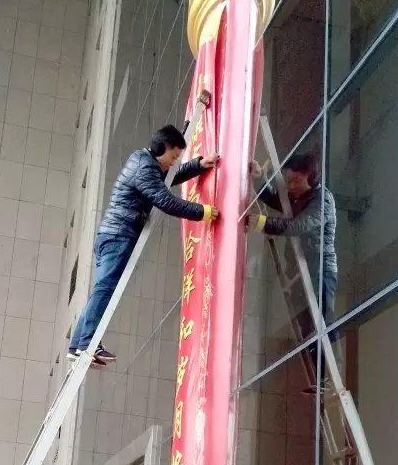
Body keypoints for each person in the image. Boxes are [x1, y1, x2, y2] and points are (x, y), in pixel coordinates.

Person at [68, 125, 221, 366]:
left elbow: (168, 179)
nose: (174, 163)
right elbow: (165, 200)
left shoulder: (145, 162)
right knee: (104, 289)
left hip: (113, 234)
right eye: (173, 157)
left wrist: (198, 165)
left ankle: (78, 345)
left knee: (102, 289)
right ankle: (86, 343)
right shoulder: (144, 167)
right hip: (119, 235)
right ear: (163, 148)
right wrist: (203, 212)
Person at [247, 153, 340, 388]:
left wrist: (263, 223)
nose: (290, 186)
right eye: (288, 181)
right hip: (300, 270)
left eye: (295, 181)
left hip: (320, 270)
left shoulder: (322, 201)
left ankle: (331, 378)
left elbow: (298, 226)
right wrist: (258, 178)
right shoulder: (297, 196)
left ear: (311, 178)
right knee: (307, 327)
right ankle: (320, 379)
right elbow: (272, 198)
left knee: (323, 321)